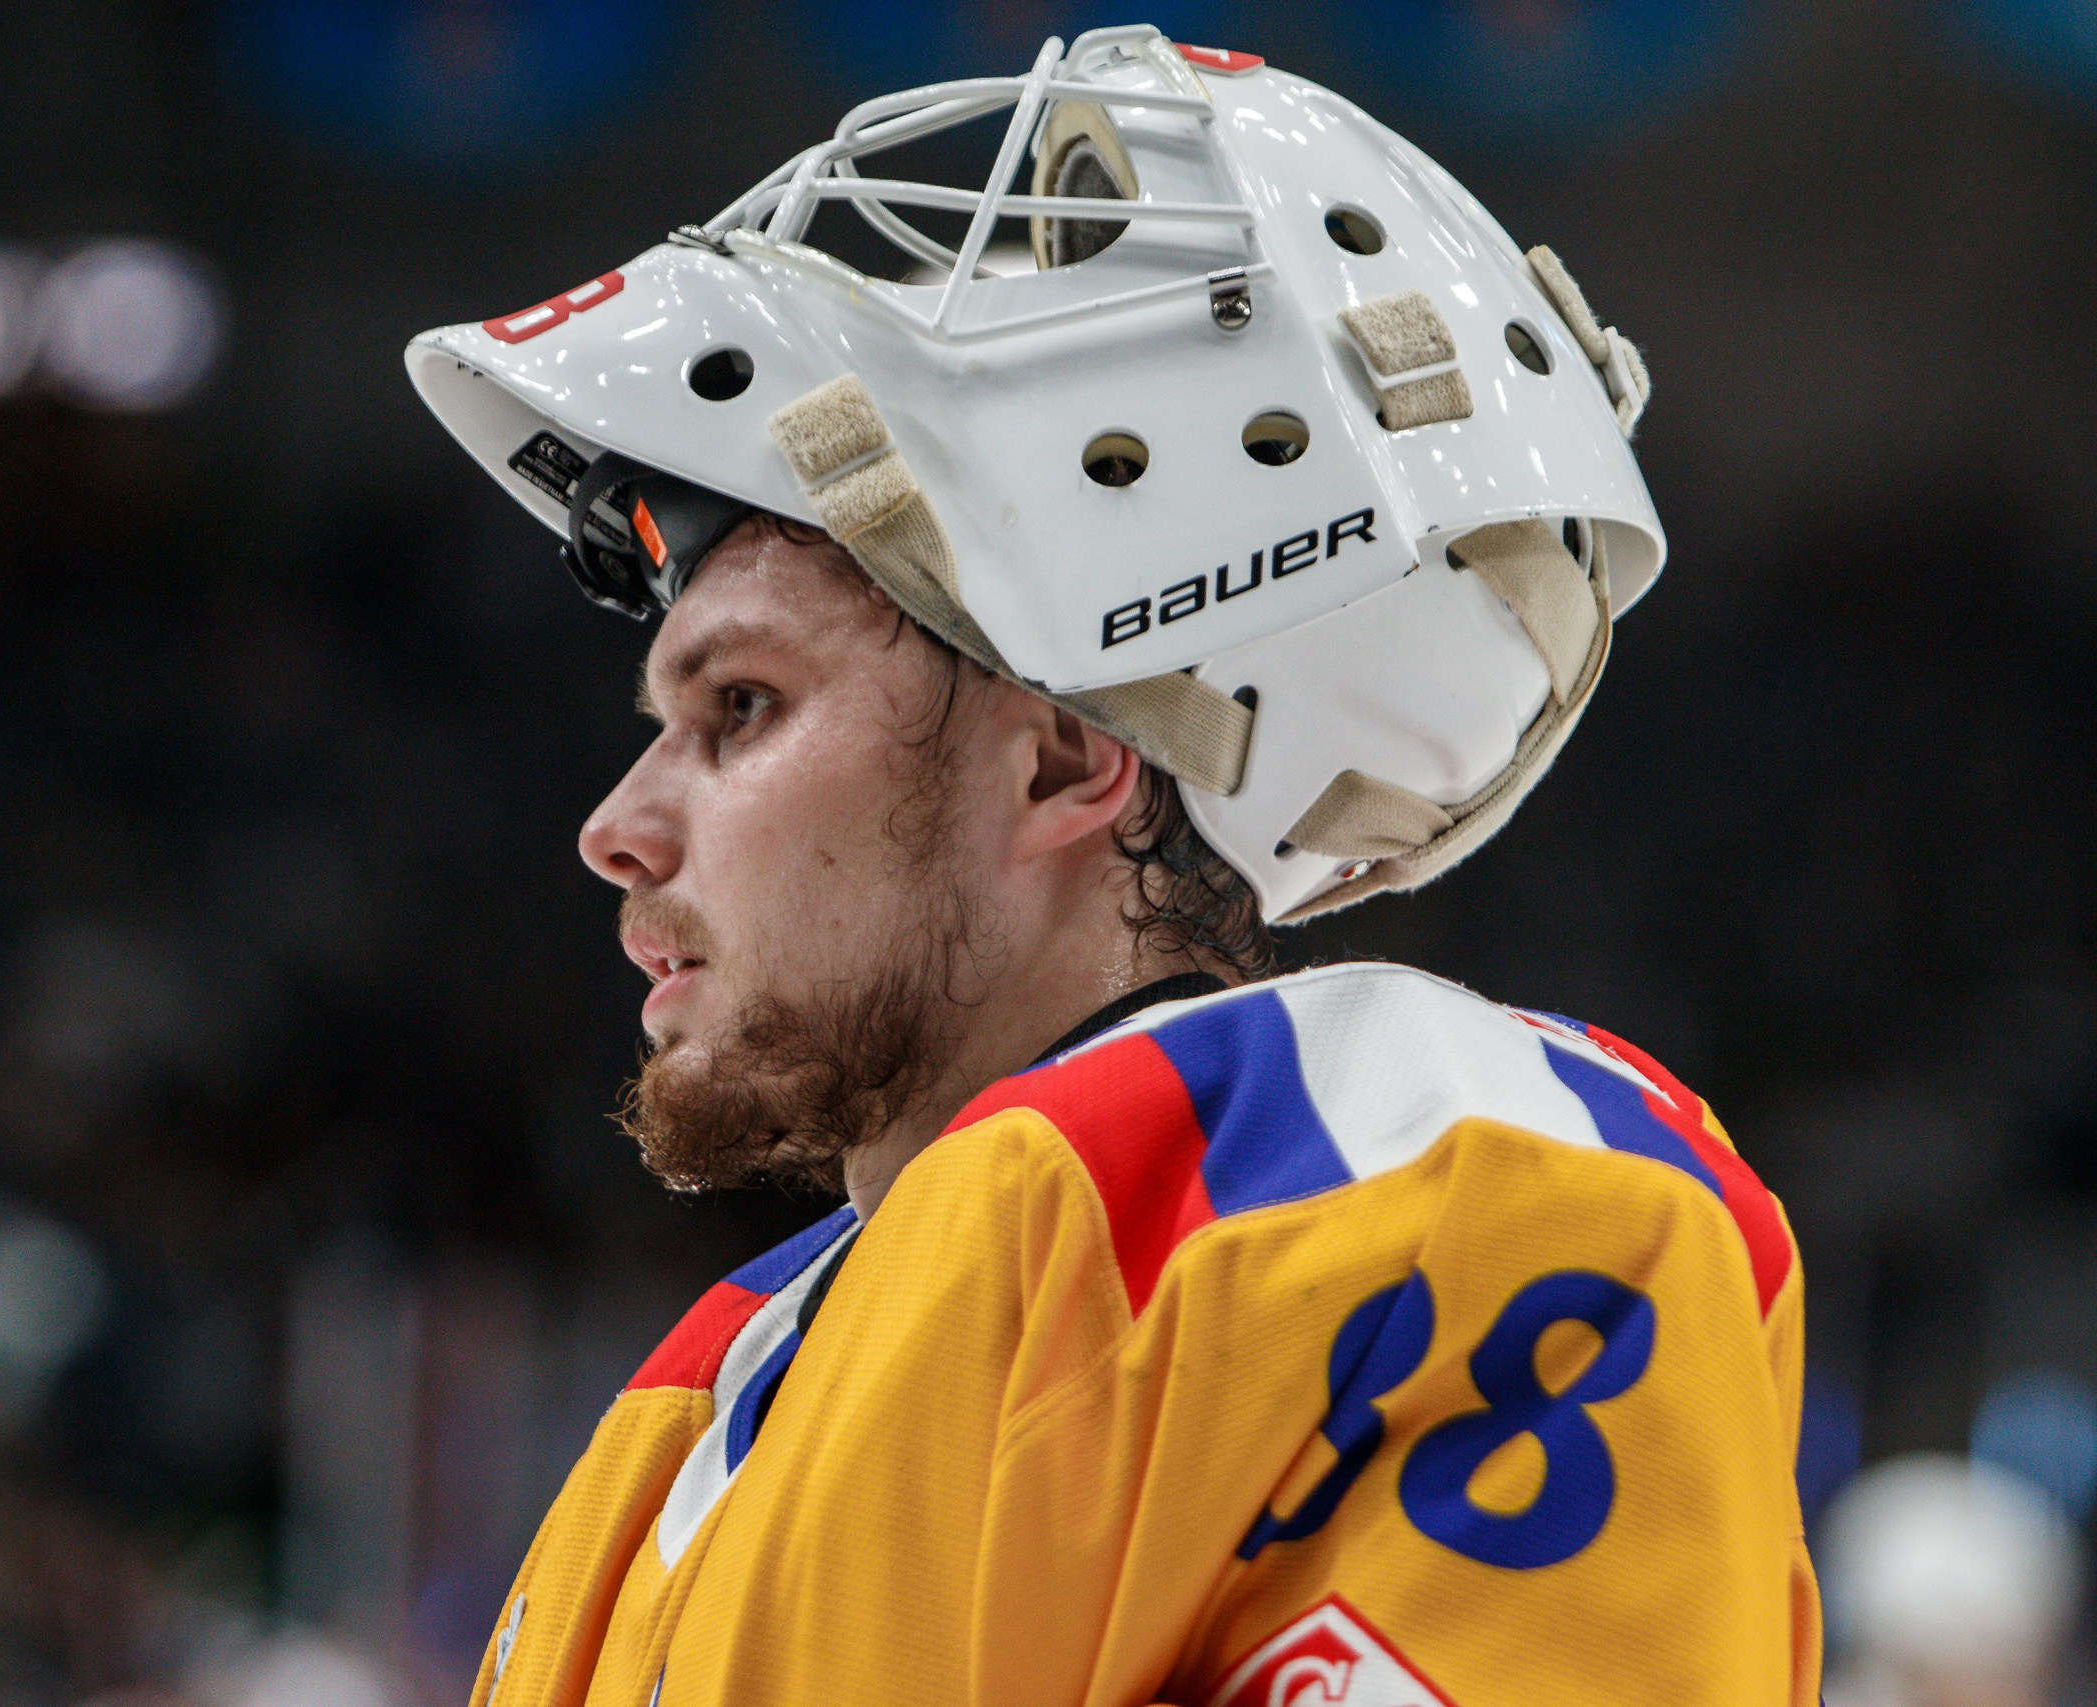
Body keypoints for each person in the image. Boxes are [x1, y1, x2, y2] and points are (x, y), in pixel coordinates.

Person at [409, 26, 1814, 1705]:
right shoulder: (714, 1388)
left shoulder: (1423, 1172)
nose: (619, 825)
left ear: (1067, 753)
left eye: (742, 705)